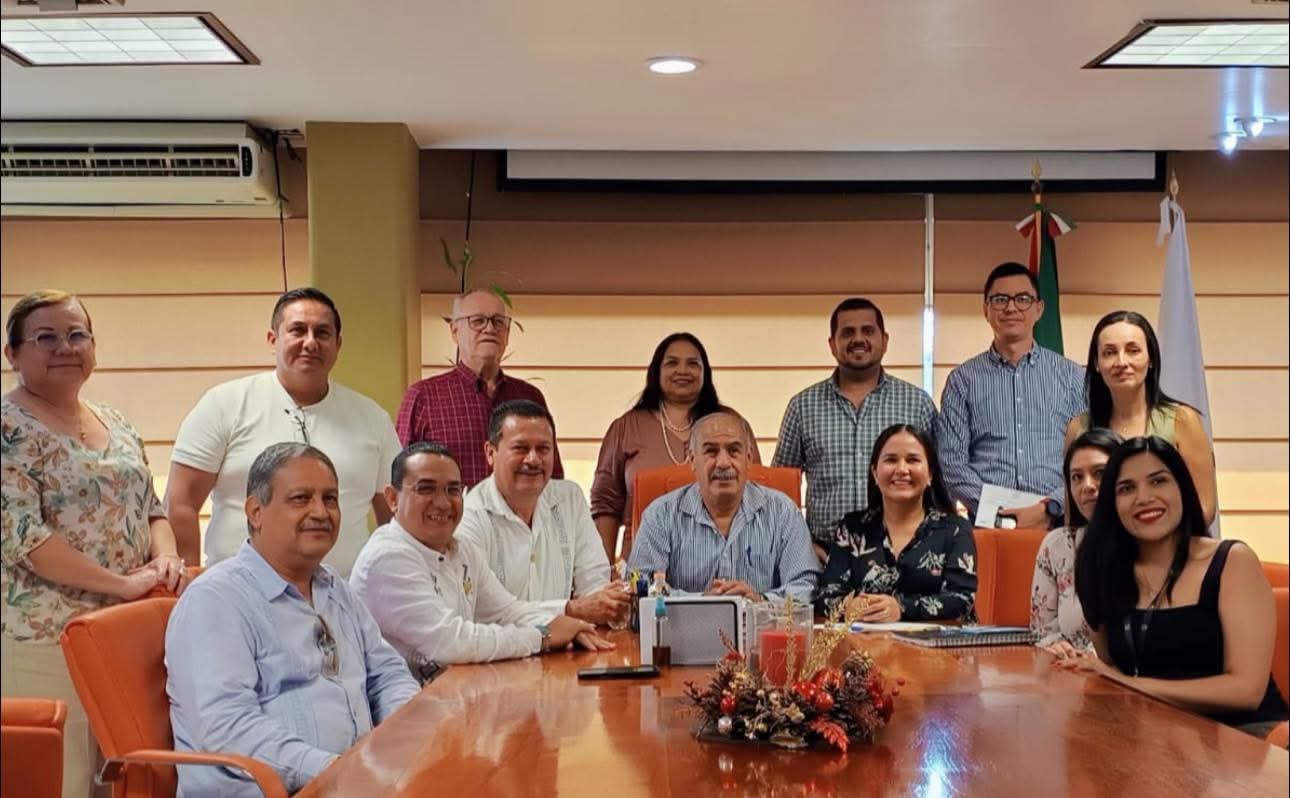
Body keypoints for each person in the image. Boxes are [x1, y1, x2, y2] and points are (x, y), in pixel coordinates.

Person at [2, 290, 187, 798]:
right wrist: (120, 584)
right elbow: (25, 539)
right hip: (47, 640)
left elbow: (152, 508)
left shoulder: (116, 421)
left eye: (76, 334)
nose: (65, 347)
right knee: (64, 781)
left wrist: (167, 558)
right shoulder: (7, 428)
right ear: (12, 354)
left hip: (127, 637)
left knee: (124, 777)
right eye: (46, 337)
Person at [165, 443, 420, 797]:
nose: (320, 512)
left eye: (330, 499)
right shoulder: (216, 600)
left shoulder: (335, 589)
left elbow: (387, 675)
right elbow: (228, 726)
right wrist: (338, 771)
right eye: (301, 499)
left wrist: (405, 741)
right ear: (255, 511)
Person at [1061, 436, 1287, 736]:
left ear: (1182, 487)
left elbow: (1245, 691)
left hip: (1247, 737)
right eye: (1126, 488)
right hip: (1155, 735)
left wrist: (1130, 684)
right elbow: (1110, 664)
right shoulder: (1100, 569)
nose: (1144, 497)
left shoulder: (1232, 562)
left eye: (1158, 481)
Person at [165, 287, 401, 575]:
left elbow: (395, 518)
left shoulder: (372, 418)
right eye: (297, 330)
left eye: (322, 333)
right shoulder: (225, 404)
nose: (310, 342)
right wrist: (189, 584)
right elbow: (181, 503)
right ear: (273, 339)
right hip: (238, 590)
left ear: (338, 344)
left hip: (342, 592)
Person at [351, 442, 613, 666]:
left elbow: (507, 611)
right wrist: (543, 636)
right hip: (405, 705)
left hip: (453, 694)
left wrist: (566, 626)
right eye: (426, 489)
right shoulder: (388, 558)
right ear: (392, 498)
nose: (442, 503)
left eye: (453, 490)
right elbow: (454, 642)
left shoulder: (460, 549)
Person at [773, 298, 937, 558]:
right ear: (832, 344)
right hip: (825, 557)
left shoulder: (917, 404)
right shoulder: (803, 407)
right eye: (848, 332)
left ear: (885, 340)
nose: (858, 339)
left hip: (903, 556)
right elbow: (780, 490)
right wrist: (803, 546)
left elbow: (936, 483)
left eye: (868, 331)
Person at [936, 262, 1085, 529]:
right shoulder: (962, 380)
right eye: (1000, 299)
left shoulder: (1073, 377)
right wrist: (997, 511)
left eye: (1023, 299)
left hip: (1057, 523)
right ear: (986, 310)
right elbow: (951, 463)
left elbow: (1086, 456)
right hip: (987, 526)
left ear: (1039, 309)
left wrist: (1049, 506)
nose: (1011, 308)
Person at [590, 332, 760, 563]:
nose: (682, 371)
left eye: (693, 364)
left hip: (726, 563)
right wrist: (603, 569)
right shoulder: (626, 428)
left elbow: (756, 492)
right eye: (672, 363)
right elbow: (606, 504)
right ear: (656, 371)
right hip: (644, 564)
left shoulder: (732, 425)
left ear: (705, 373)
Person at [455, 400, 628, 624]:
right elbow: (485, 610)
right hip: (499, 646)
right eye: (520, 448)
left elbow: (595, 584)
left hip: (570, 642)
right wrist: (570, 610)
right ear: (490, 453)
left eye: (543, 449)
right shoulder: (470, 516)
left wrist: (605, 603)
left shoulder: (570, 499)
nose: (533, 459)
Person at [627, 411, 819, 602]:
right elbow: (639, 587)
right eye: (711, 451)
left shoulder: (783, 512)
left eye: (734, 451)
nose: (723, 463)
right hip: (685, 623)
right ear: (692, 460)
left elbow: (805, 586)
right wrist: (703, 602)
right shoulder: (660, 515)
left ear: (748, 458)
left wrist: (760, 601)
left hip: (760, 621)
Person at [396, 290, 563, 487]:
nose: (489, 328)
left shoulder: (529, 397)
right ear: (454, 331)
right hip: (453, 508)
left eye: (498, 322)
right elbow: (400, 480)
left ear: (507, 334)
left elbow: (554, 479)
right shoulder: (423, 397)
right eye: (478, 321)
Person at [1066, 310, 1217, 525]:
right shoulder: (1078, 428)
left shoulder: (1182, 420)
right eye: (1109, 352)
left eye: (1133, 350)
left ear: (1151, 358)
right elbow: (1073, 515)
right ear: (1096, 363)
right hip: (1100, 545)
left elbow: (1204, 509)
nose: (1121, 362)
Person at [814, 424, 977, 622]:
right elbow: (826, 597)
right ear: (875, 473)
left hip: (937, 640)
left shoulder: (955, 529)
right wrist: (850, 606)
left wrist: (901, 608)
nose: (901, 469)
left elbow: (962, 600)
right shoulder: (852, 529)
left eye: (913, 460)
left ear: (930, 474)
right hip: (865, 639)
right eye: (891, 460)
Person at [1029, 428, 1122, 657]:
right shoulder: (1057, 546)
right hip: (1068, 670)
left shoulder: (1150, 544)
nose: (1087, 486)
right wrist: (1055, 646)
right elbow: (1042, 631)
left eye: (1100, 473)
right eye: (1076, 477)